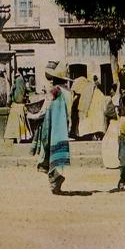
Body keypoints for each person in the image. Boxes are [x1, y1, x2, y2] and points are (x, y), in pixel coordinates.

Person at [29, 61, 71, 194]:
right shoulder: (67, 92)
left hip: (52, 126)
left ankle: (56, 181)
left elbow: (45, 108)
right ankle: (56, 181)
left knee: (48, 153)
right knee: (56, 155)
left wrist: (32, 115)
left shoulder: (54, 91)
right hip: (61, 126)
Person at [4, 73, 30, 143]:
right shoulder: (23, 82)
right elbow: (26, 93)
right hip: (21, 105)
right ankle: (22, 138)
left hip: (15, 106)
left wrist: (8, 103)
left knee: (14, 124)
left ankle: (14, 137)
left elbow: (10, 94)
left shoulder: (15, 83)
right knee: (22, 123)